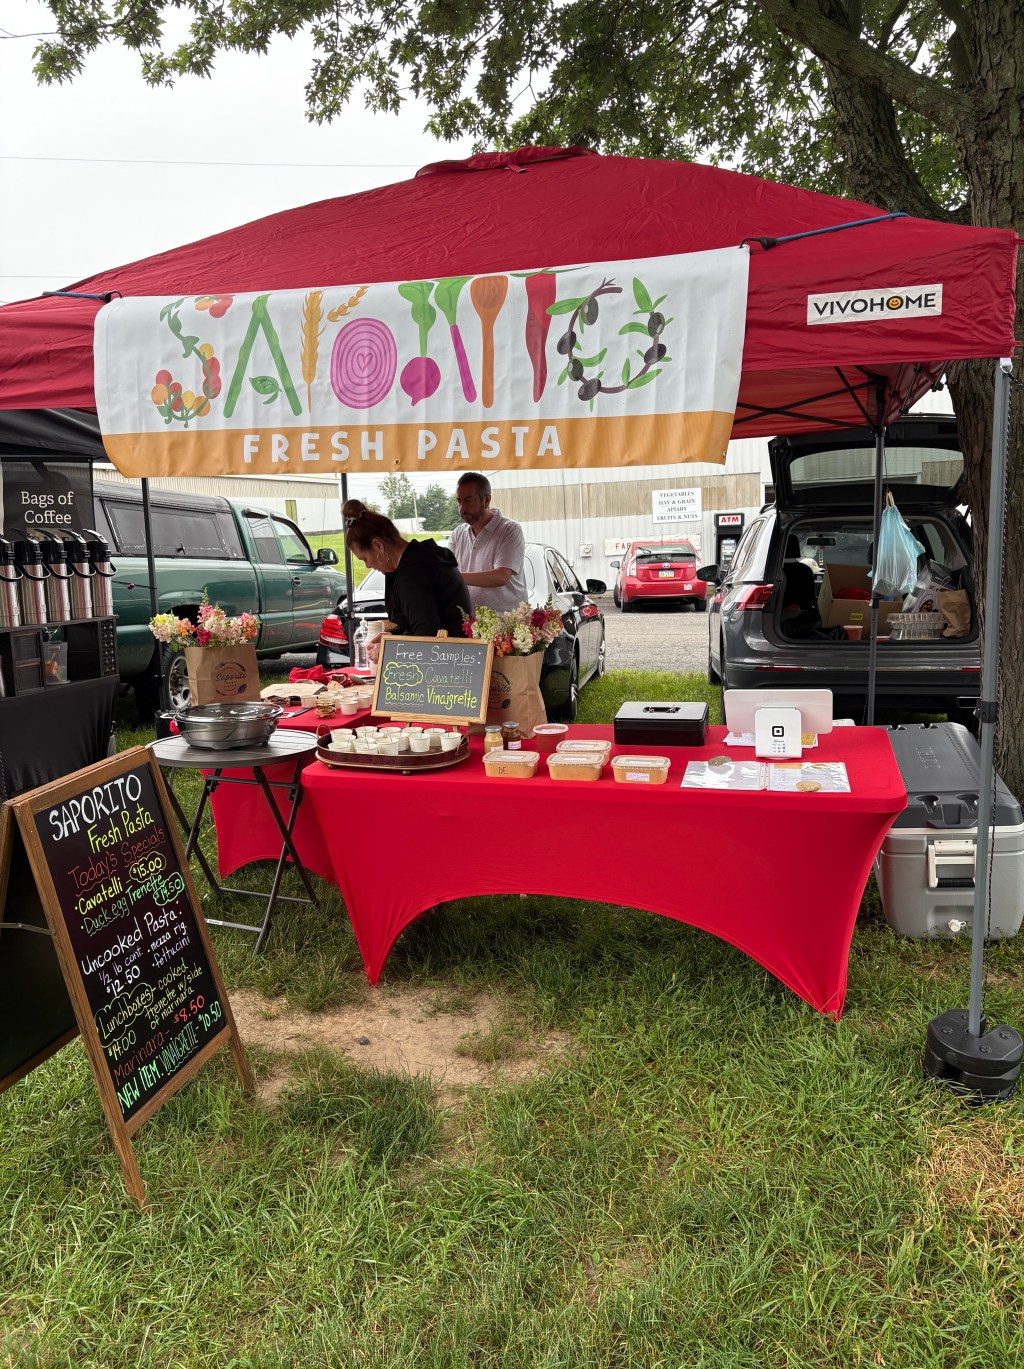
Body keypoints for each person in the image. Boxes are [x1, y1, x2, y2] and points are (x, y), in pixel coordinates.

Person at [341, 500, 471, 661]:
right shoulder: (419, 561)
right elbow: (421, 623)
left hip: (450, 664)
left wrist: (389, 649)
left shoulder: (413, 575)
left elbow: (428, 637)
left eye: (365, 559)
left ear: (378, 546)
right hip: (458, 656)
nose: (367, 566)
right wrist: (392, 636)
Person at [449, 472, 527, 615]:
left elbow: (501, 577)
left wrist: (453, 576)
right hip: (468, 622)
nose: (462, 508)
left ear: (486, 500)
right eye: (459, 501)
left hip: (506, 623)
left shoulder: (510, 530)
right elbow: (447, 571)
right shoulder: (457, 534)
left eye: (468, 500)